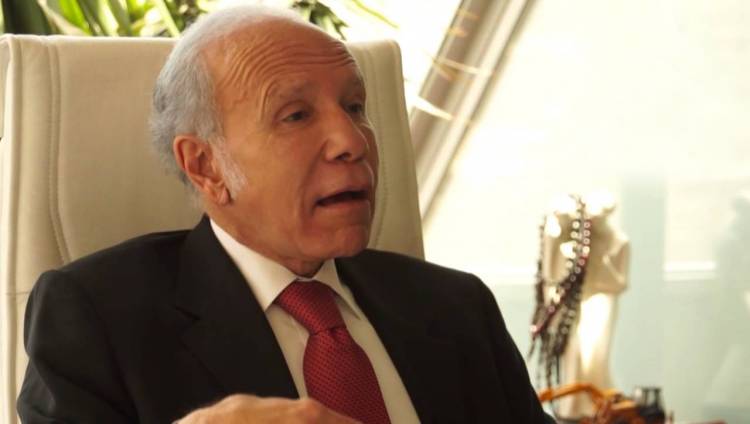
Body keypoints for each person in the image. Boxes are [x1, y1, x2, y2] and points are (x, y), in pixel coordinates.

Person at [17, 5, 551, 424]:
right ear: (205, 166)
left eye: (355, 107)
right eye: (295, 115)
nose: (352, 140)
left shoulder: (456, 309)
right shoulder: (97, 319)